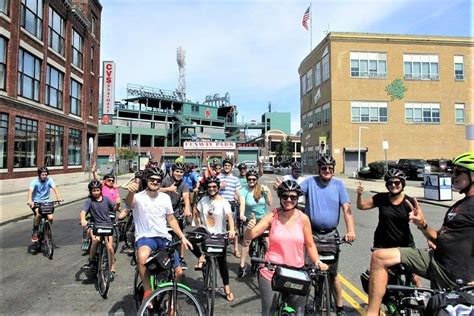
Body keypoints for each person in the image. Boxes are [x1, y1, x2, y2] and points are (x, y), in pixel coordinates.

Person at [366, 151, 474, 315]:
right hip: (436, 259)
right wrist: (422, 225)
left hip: (455, 273)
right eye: (453, 171)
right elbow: (439, 238)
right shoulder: (457, 206)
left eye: (459, 172)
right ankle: (371, 313)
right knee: (379, 257)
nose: (453, 175)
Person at [244, 180, 328, 316]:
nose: (289, 200)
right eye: (285, 196)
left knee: (299, 313)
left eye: (293, 197)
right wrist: (249, 228)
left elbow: (310, 244)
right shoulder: (273, 215)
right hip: (272, 271)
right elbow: (251, 235)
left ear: (297, 198)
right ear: (280, 197)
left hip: (297, 273)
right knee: (269, 312)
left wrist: (317, 261)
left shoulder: (303, 218)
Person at [124, 167, 193, 304]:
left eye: (158, 180)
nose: (155, 182)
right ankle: (148, 292)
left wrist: (182, 236)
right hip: (145, 237)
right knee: (142, 257)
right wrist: (131, 192)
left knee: (179, 273)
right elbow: (129, 203)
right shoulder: (138, 197)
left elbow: (171, 219)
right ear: (146, 180)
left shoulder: (165, 198)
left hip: (164, 237)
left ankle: (171, 300)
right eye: (152, 179)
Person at [299, 154, 356, 315]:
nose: (327, 170)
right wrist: (280, 188)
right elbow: (294, 192)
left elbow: (346, 208)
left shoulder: (339, 184)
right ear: (319, 169)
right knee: (309, 272)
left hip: (331, 235)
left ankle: (339, 306)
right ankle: (302, 305)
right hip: (312, 235)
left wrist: (351, 230)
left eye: (330, 168)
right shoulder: (310, 182)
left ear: (333, 169)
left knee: (333, 274)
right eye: (324, 168)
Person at [357, 169, 421, 286]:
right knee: (377, 278)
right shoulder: (381, 198)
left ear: (402, 184)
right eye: (390, 183)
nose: (393, 185)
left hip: (405, 244)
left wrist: (431, 241)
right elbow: (362, 206)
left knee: (414, 276)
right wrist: (359, 195)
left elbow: (421, 222)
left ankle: (422, 302)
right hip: (382, 244)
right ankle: (376, 302)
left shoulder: (409, 202)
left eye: (397, 182)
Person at [190, 176, 236, 302]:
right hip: (205, 231)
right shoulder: (203, 200)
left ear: (218, 187)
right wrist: (199, 221)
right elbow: (196, 210)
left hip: (219, 234)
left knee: (222, 263)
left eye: (214, 186)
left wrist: (231, 229)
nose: (211, 189)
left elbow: (229, 217)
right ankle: (201, 256)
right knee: (189, 240)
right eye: (209, 187)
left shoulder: (223, 201)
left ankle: (226, 288)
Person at [238, 168, 273, 278]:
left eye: (254, 179)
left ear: (257, 179)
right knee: (246, 242)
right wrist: (241, 215)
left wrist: (268, 192)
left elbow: (270, 203)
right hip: (250, 220)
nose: (251, 181)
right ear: (247, 179)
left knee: (267, 241)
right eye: (249, 179)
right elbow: (242, 204)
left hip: (263, 219)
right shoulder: (243, 190)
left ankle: (271, 264)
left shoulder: (262, 189)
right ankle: (242, 266)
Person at [80, 180, 116, 279]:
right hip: (94, 225)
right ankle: (91, 260)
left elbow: (114, 207)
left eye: (97, 190)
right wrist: (83, 219)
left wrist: (117, 205)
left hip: (107, 225)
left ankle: (112, 266)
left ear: (100, 190)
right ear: (90, 191)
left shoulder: (106, 199)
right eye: (93, 191)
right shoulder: (89, 201)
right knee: (96, 240)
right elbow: (83, 211)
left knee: (110, 247)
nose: (96, 192)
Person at [159, 162, 192, 269]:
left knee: (180, 235)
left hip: (175, 211)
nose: (179, 174)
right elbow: (154, 189)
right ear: (172, 171)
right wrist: (168, 189)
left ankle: (181, 259)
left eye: (181, 172)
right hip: (162, 212)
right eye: (177, 171)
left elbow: (186, 197)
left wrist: (187, 208)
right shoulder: (166, 180)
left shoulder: (183, 184)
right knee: (161, 235)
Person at [27, 167, 63, 242]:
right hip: (36, 202)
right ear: (39, 175)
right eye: (43, 175)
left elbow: (55, 188)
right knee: (39, 214)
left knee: (50, 218)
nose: (44, 176)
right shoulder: (35, 182)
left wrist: (58, 197)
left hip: (46, 202)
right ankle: (35, 232)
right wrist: (30, 200)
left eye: (46, 175)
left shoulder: (49, 180)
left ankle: (46, 229)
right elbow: (30, 191)